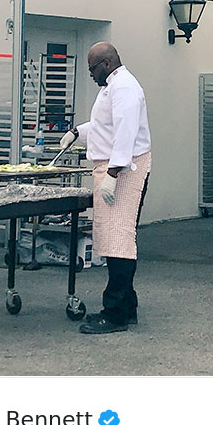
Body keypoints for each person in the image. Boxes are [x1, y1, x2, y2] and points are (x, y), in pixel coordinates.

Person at [61, 42, 151, 334]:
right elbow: (104, 125)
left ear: (107, 63)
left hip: (124, 171)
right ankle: (127, 307)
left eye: (92, 68)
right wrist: (77, 132)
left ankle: (115, 315)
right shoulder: (112, 87)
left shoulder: (124, 87)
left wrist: (113, 172)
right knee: (113, 240)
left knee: (118, 241)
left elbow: (125, 132)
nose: (91, 74)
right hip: (113, 167)